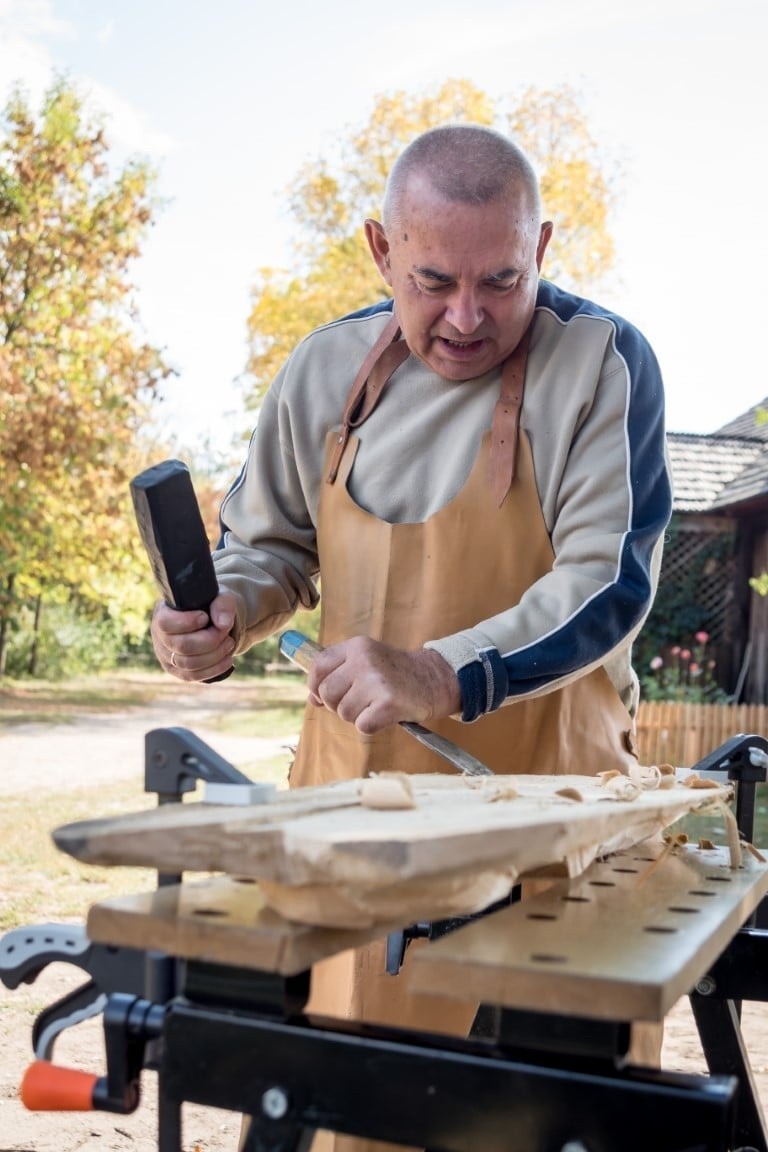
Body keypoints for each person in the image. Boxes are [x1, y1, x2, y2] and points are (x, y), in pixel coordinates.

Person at [151, 124, 673, 1152]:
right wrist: (225, 615)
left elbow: (607, 579)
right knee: (366, 1113)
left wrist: (441, 672)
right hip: (363, 837)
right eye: (433, 280)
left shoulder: (603, 364)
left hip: (552, 833)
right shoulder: (325, 369)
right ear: (380, 250)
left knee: (553, 1121)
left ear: (545, 246)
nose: (468, 318)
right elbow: (266, 547)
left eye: (503, 280)